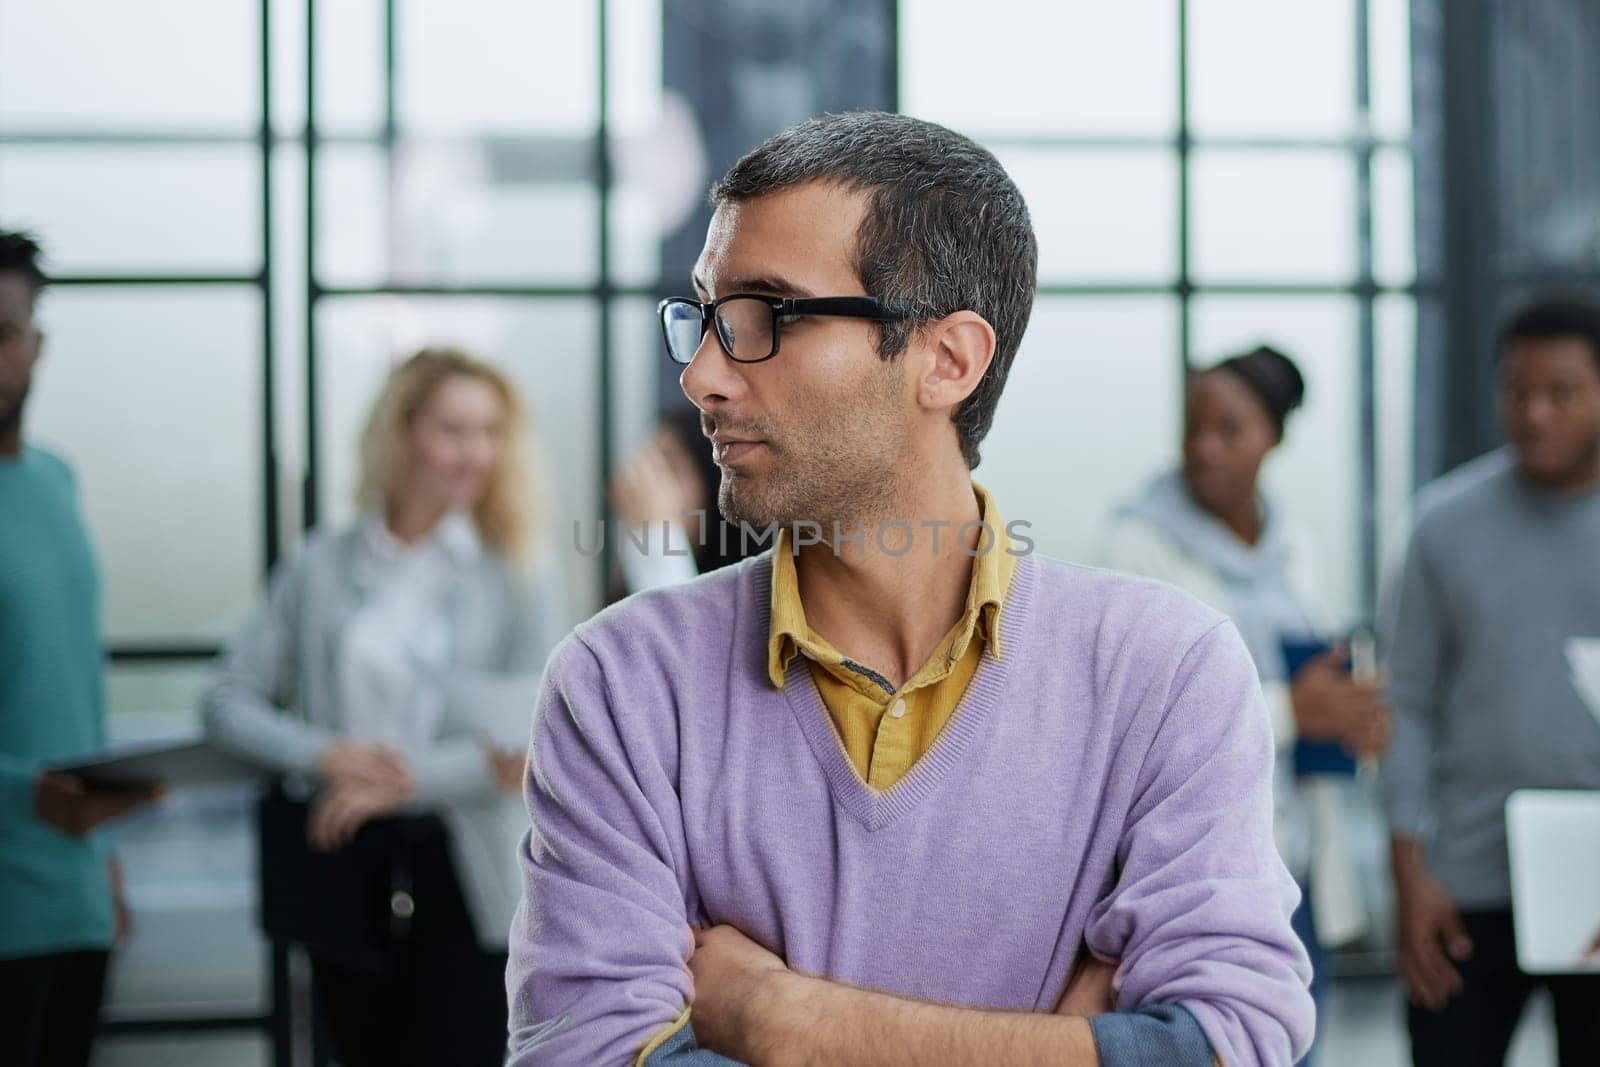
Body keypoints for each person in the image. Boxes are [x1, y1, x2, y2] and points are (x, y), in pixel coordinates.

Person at [507, 112, 1313, 1067]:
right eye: (708, 315)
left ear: (949, 360)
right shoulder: (621, 683)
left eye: (768, 317)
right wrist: (1069, 1043)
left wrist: (786, 1022)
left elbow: (1230, 1044)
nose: (703, 374)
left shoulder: (1166, 669)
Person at [204, 347, 564, 1067]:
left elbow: (535, 733)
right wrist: (325, 754)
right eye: (454, 430)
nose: (477, 451)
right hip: (345, 865)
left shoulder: (520, 566)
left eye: (490, 431)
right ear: (401, 436)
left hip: (469, 873)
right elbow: (225, 703)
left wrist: (400, 780)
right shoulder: (321, 564)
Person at [1099, 345, 1391, 1064]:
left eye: (1229, 430)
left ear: (1275, 438)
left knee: (1298, 1040)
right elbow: (1140, 715)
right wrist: (1297, 710)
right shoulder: (1136, 544)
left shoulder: (1293, 545)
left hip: (1294, 859)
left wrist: (1352, 709)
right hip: (1201, 863)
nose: (1204, 448)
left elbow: (1314, 663)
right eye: (1194, 428)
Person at [1383, 292, 1600, 1066]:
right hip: (1464, 884)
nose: (1535, 413)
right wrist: (1409, 876)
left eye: (1562, 392)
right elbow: (1403, 699)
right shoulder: (1444, 524)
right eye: (1518, 390)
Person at [0, 229, 163, 1067]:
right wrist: (30, 791)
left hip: (71, 896)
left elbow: (69, 689)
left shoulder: (55, 480)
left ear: (37, 345)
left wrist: (102, 865)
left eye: (3, 332)